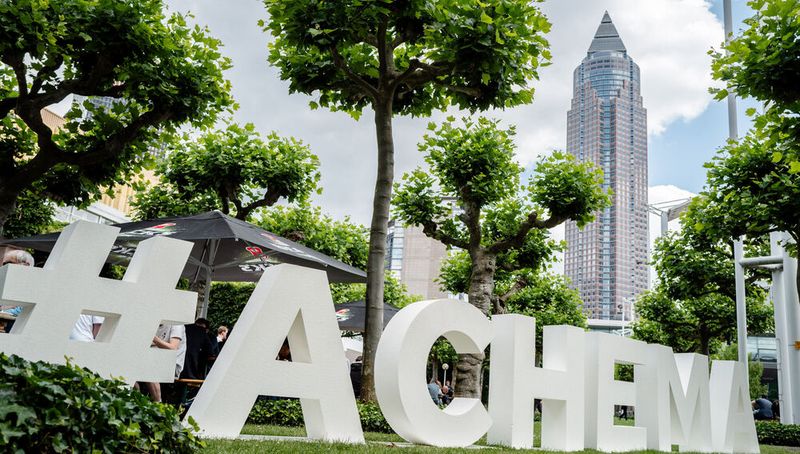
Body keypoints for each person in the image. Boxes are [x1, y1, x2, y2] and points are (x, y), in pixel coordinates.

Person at [138, 323, 185, 402]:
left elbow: (173, 347)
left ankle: (158, 403)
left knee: (148, 369)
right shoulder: (156, 323)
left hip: (173, 364)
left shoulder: (177, 324)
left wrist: (155, 339)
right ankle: (135, 399)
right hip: (156, 359)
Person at [0, 250, 34, 332]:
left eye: (8, 263)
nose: (3, 267)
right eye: (3, 264)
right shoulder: (4, 282)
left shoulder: (32, 288)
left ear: (25, 265)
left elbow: (21, 311)